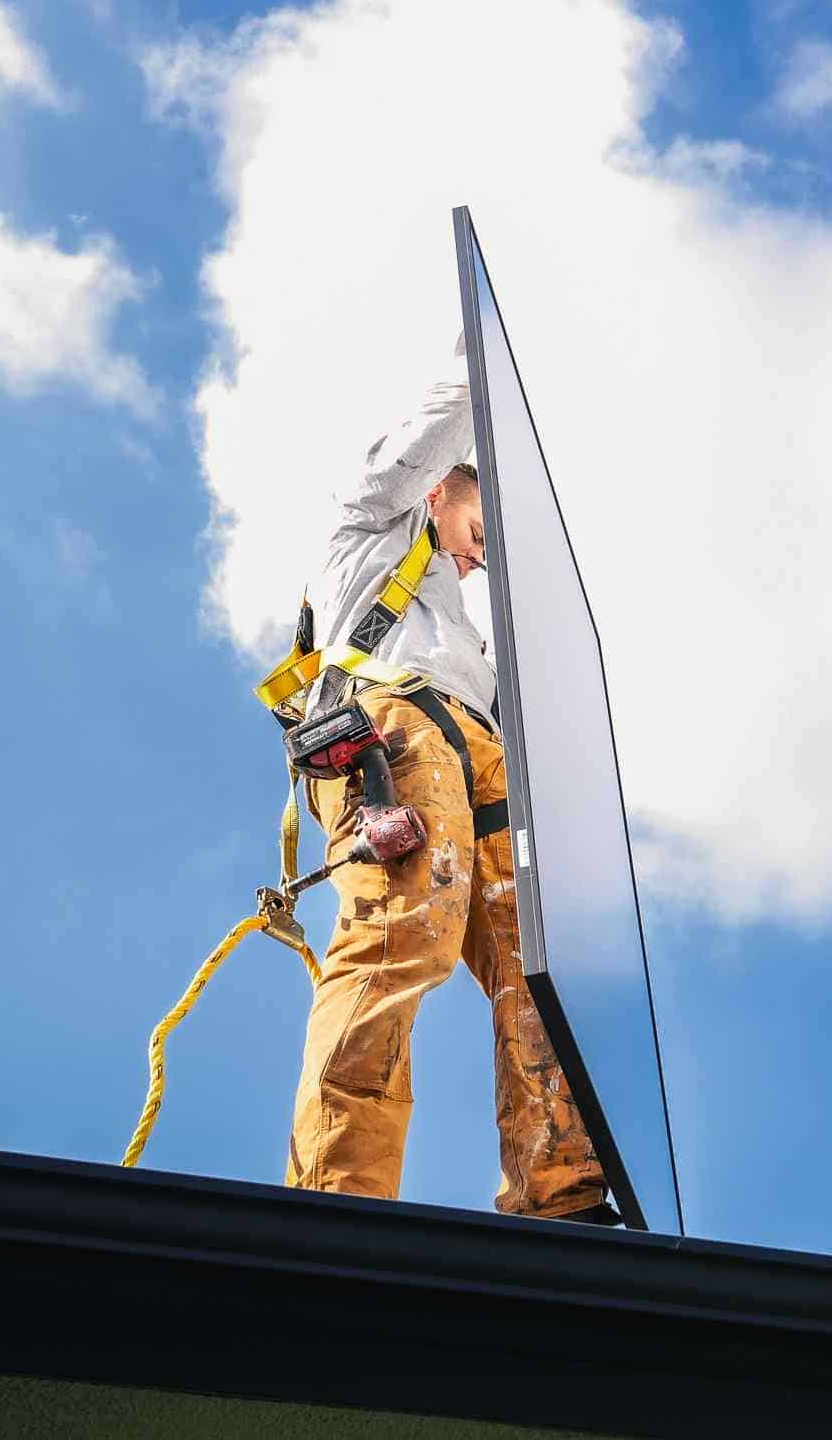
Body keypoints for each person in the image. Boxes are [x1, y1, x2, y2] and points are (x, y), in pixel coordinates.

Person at [280, 351, 615, 1224]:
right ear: (443, 489)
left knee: (535, 963)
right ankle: (335, 1197)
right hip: (392, 732)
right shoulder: (365, 527)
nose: (479, 560)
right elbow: (446, 418)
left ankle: (562, 1196)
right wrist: (488, 355)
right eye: (480, 527)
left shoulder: (468, 640)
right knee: (404, 936)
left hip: (476, 747)